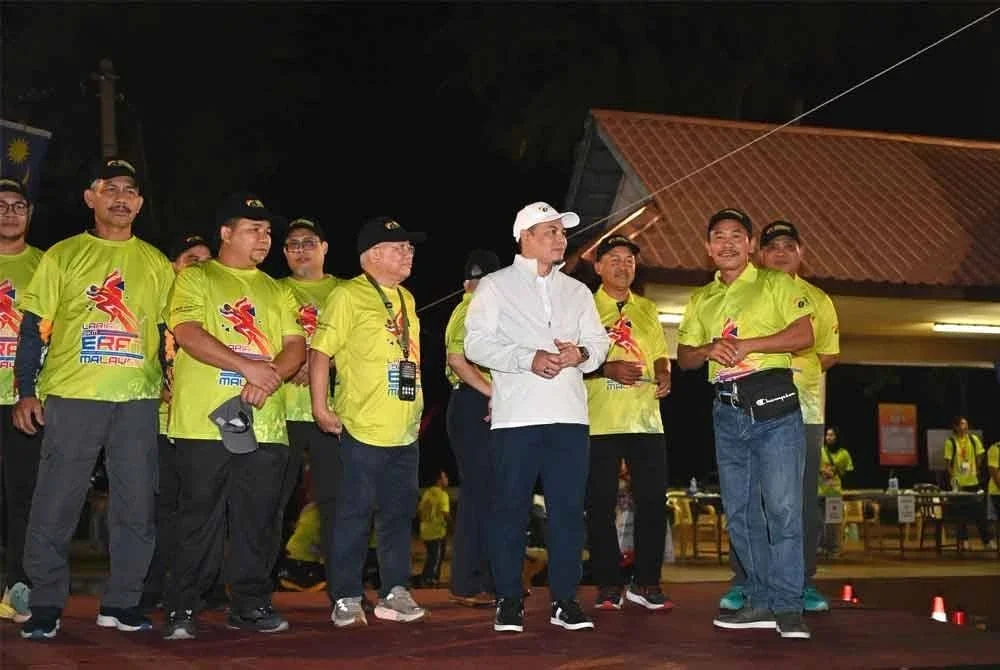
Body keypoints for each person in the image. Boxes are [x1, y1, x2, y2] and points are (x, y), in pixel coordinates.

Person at [15, 159, 175, 640]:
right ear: (92, 197)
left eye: (130, 190)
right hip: (73, 394)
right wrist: (26, 390)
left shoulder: (155, 262)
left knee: (136, 504)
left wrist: (171, 379)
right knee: (57, 500)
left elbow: (170, 332)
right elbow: (32, 327)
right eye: (110, 189)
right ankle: (45, 603)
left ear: (140, 203)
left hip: (138, 399)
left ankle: (122, 602)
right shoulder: (62, 256)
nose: (121, 198)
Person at [162, 194, 306, 639]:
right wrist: (249, 367)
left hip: (265, 422)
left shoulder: (278, 288)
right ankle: (183, 607)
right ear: (225, 233)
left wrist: (268, 378)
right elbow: (186, 332)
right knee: (198, 518)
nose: (263, 238)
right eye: (252, 229)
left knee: (259, 519)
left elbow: (296, 347)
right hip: (205, 422)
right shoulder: (197, 277)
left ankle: (250, 603)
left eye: (267, 231)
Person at [464, 201, 608, 633]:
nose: (560, 239)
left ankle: (566, 600)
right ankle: (509, 599)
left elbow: (599, 345)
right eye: (550, 231)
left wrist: (578, 353)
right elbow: (475, 346)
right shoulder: (494, 286)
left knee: (567, 512)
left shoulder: (578, 291)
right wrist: (528, 358)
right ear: (525, 237)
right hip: (516, 419)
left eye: (562, 233)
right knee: (509, 509)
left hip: (569, 417)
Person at [676, 208, 814, 640]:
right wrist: (708, 348)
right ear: (707, 248)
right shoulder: (701, 299)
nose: (728, 243)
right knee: (739, 512)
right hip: (726, 410)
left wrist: (748, 344)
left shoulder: (775, 282)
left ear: (751, 245)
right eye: (718, 236)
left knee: (783, 508)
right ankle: (758, 599)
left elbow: (804, 335)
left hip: (774, 408)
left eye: (737, 235)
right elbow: (683, 358)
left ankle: (789, 606)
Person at [309, 216, 428, 628]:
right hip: (361, 427)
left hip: (405, 429)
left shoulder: (408, 299)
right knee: (354, 515)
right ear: (373, 254)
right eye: (400, 247)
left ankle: (395, 591)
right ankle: (345, 594)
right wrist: (321, 408)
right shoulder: (347, 295)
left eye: (410, 248)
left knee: (397, 516)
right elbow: (320, 353)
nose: (409, 253)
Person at [719, 219, 840, 613]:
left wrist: (782, 357)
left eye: (790, 246)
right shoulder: (745, 292)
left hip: (802, 412)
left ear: (801, 253)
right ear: (760, 253)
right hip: (748, 412)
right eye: (773, 247)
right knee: (748, 500)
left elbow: (828, 353)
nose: (782, 253)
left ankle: (802, 582)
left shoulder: (818, 299)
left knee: (797, 502)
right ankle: (746, 581)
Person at [583, 235, 673, 612]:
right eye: (614, 259)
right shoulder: (582, 306)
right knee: (599, 503)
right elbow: (571, 360)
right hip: (598, 420)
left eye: (629, 260)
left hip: (646, 419)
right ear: (599, 266)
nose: (623, 266)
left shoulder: (648, 308)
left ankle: (647, 582)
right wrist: (608, 368)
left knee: (652, 501)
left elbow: (660, 353)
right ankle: (608, 584)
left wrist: (665, 372)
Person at [141, 234, 214, 613]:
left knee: (202, 508)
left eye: (205, 259)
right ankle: (152, 585)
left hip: (203, 427)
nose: (198, 265)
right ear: (174, 265)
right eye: (190, 258)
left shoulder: (215, 307)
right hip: (159, 423)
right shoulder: (157, 302)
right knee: (159, 509)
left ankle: (202, 586)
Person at [275, 217, 341, 594]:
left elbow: (361, 342)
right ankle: (257, 590)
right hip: (279, 413)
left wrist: (321, 362)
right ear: (284, 253)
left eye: (309, 242)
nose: (301, 249)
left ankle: (342, 587)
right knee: (272, 501)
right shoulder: (271, 290)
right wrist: (290, 363)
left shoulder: (346, 291)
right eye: (293, 244)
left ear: (324, 248)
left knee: (336, 502)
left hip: (331, 414)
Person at [444, 249, 501, 608]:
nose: (482, 286)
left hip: (487, 402)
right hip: (472, 401)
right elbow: (457, 359)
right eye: (476, 279)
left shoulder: (491, 310)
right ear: (466, 284)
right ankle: (466, 582)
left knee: (495, 495)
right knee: (479, 494)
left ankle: (493, 577)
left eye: (488, 279)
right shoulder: (468, 309)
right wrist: (492, 392)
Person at [0, 177, 44, 624]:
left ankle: (19, 586)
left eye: (18, 205)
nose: (10, 213)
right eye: (1, 205)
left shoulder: (47, 264)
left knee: (24, 496)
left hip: (24, 399)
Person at [944, 416, 993, 550]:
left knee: (979, 513)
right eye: (961, 424)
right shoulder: (950, 442)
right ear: (955, 427)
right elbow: (948, 463)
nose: (964, 427)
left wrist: (976, 467)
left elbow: (981, 454)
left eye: (965, 424)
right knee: (961, 515)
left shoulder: (973, 439)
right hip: (958, 483)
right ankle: (964, 541)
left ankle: (987, 541)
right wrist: (953, 477)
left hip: (973, 482)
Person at [817, 426, 853, 556]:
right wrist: (822, 471)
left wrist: (836, 471)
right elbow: (812, 465)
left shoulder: (843, 454)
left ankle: (834, 549)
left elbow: (849, 470)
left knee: (833, 523)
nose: (828, 437)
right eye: (827, 435)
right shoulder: (820, 452)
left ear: (837, 437)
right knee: (820, 522)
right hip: (820, 492)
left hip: (835, 492)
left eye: (831, 435)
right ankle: (821, 548)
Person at [417, 470, 451, 586]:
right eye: (444, 477)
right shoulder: (443, 495)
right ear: (439, 480)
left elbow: (420, 511)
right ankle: (429, 580)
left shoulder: (427, 493)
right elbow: (445, 514)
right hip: (437, 531)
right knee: (436, 558)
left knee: (432, 557)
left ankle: (427, 578)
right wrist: (452, 527)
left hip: (425, 530)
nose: (447, 479)